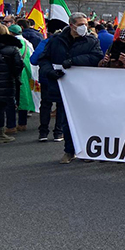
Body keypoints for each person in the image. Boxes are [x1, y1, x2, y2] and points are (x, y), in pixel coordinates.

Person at [38, 13, 103, 163]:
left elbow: (96, 57)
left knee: (85, 120)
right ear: (71, 25)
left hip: (84, 87)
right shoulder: (56, 40)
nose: (84, 27)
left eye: (85, 24)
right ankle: (69, 151)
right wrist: (50, 72)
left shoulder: (91, 40)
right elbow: (44, 59)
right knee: (66, 122)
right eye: (80, 25)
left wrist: (73, 61)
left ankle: (86, 151)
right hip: (63, 87)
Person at [31, 22, 63, 142]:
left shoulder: (45, 42)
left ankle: (43, 132)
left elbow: (34, 60)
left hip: (46, 77)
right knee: (61, 105)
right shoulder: (66, 43)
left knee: (45, 104)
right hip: (62, 78)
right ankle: (58, 132)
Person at [5, 24, 35, 134]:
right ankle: (22, 123)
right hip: (24, 74)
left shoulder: (9, 43)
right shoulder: (27, 43)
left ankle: (11, 125)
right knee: (23, 98)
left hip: (11, 74)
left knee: (10, 100)